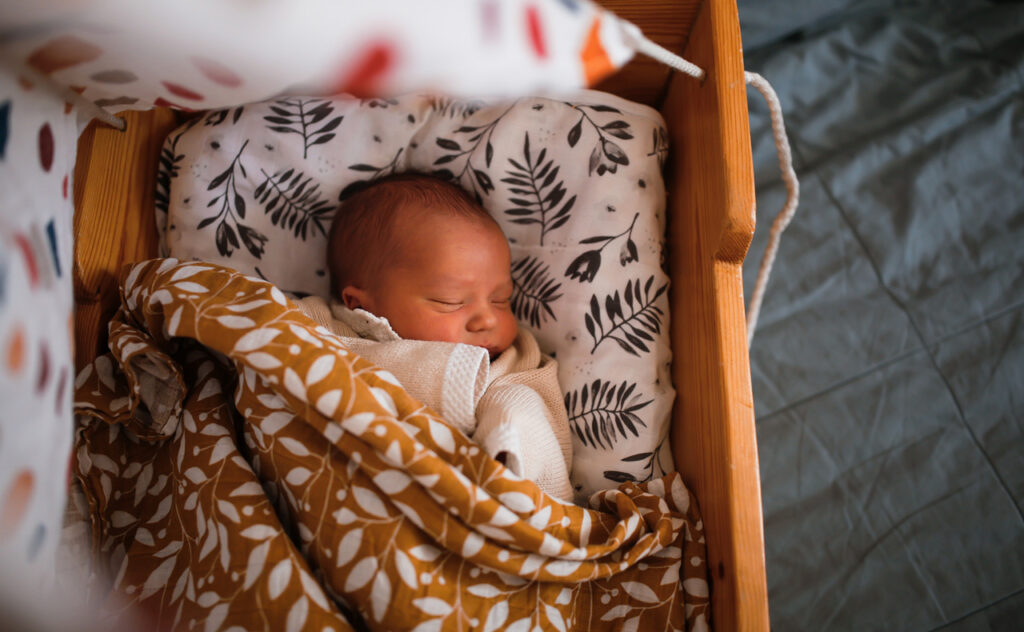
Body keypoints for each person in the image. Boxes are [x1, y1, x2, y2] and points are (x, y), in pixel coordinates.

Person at [296, 173, 573, 502]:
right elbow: (267, 333)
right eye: (450, 301)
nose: (487, 318)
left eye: (502, 299)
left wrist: (510, 451)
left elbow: (538, 412)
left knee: (520, 406)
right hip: (348, 487)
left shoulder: (511, 364)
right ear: (359, 303)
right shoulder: (320, 326)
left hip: (463, 498)